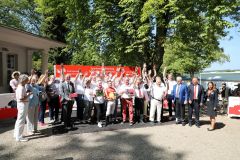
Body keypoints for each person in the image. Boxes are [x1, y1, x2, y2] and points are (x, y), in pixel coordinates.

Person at [13, 74, 32, 142]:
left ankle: (16, 134)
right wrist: (28, 95)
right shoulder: (21, 87)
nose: (28, 81)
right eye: (27, 80)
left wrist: (26, 95)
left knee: (19, 120)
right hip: (23, 105)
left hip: (22, 104)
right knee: (21, 120)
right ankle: (19, 137)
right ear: (23, 80)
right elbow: (21, 98)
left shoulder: (20, 86)